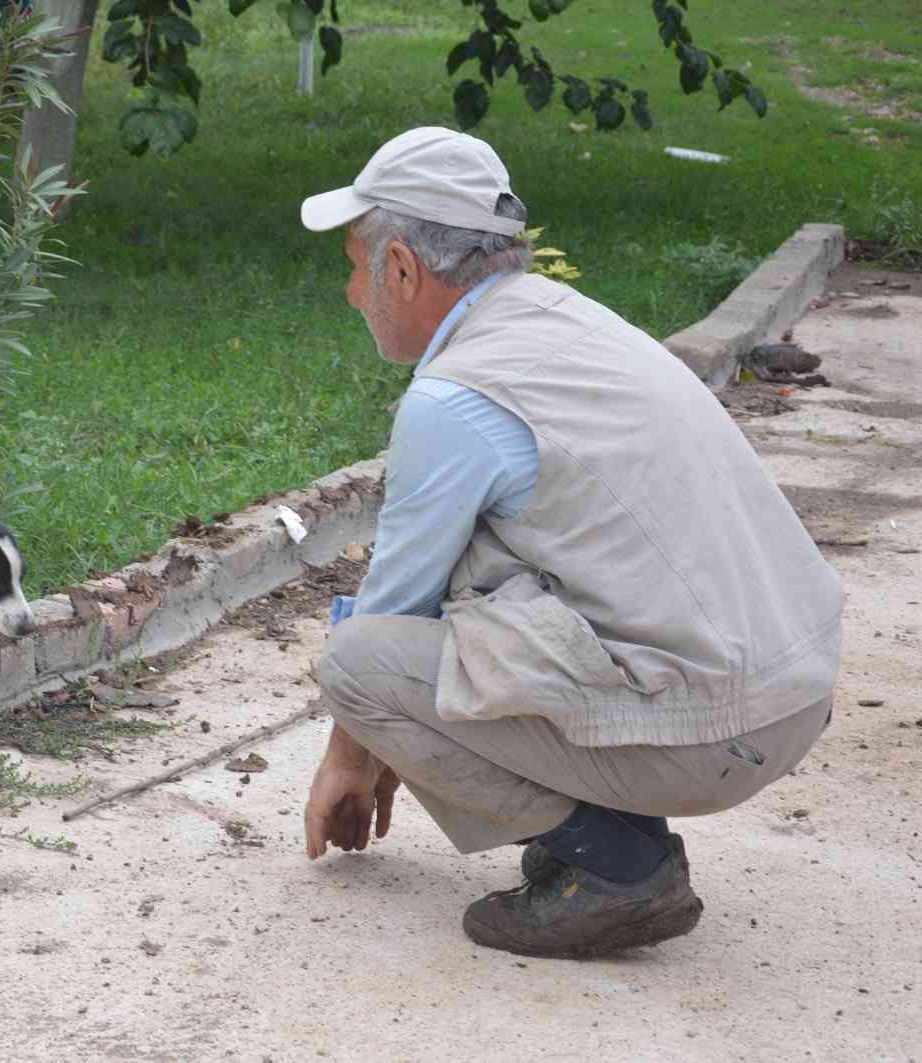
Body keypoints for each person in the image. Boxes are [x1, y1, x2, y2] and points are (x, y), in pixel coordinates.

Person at [297, 127, 844, 959]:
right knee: (480, 573)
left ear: (402, 268)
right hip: (789, 691)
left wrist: (352, 755)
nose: (349, 292)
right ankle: (612, 818)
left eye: (353, 266)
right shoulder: (567, 319)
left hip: (722, 730)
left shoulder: (455, 396)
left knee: (357, 663)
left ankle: (619, 862)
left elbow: (392, 605)